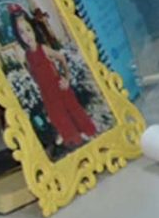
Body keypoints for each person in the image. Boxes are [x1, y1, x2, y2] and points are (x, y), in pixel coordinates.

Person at [10, 8, 101, 150]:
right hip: (48, 95)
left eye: (28, 30)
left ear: (33, 29)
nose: (26, 35)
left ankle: (90, 134)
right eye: (21, 32)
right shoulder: (27, 57)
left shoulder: (43, 49)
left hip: (59, 88)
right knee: (60, 119)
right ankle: (75, 143)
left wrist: (66, 78)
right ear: (18, 36)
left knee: (75, 111)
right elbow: (34, 75)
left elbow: (62, 58)